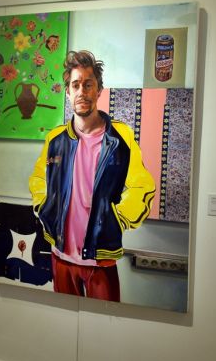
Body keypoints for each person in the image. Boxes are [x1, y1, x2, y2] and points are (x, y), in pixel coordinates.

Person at [29, 50, 155, 301]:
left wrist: (117, 219)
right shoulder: (55, 139)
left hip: (101, 258)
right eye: (75, 85)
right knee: (64, 318)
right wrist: (44, 208)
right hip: (61, 255)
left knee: (107, 322)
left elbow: (142, 186)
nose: (82, 91)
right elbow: (38, 179)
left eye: (88, 84)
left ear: (99, 91)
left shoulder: (120, 137)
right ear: (68, 92)